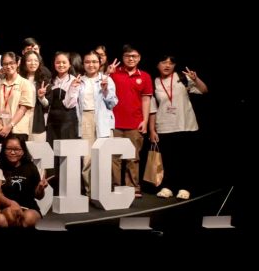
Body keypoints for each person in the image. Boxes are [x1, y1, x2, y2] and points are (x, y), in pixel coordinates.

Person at [149, 56, 207, 200]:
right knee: (168, 159)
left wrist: (196, 79)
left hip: (185, 124)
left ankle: (185, 187)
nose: (167, 65)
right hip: (164, 125)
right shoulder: (154, 82)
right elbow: (152, 108)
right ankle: (168, 186)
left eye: (171, 63)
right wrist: (152, 130)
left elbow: (204, 90)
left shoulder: (182, 78)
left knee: (185, 158)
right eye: (164, 62)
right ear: (157, 65)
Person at [68, 50, 117, 193]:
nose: (91, 65)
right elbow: (69, 103)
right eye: (88, 62)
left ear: (100, 63)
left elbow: (113, 103)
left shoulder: (106, 79)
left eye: (94, 61)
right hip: (85, 118)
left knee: (104, 157)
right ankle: (89, 191)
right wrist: (73, 88)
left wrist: (106, 90)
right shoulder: (79, 80)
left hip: (103, 119)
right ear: (83, 64)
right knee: (87, 158)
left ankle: (104, 192)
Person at [109, 45, 154, 197]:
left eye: (134, 56)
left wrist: (145, 121)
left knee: (133, 157)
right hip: (115, 123)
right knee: (114, 158)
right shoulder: (114, 73)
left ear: (139, 58)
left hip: (135, 123)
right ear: (123, 57)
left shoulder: (145, 76)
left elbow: (146, 100)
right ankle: (115, 186)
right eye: (128, 56)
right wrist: (108, 74)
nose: (131, 58)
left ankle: (133, 187)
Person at [0, 136, 48, 227]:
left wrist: (41, 188)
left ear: (23, 151)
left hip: (29, 208)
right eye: (9, 149)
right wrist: (12, 204)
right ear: (4, 150)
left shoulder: (30, 167)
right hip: (7, 207)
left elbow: (39, 196)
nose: (12, 152)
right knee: (11, 215)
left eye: (17, 149)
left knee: (28, 218)